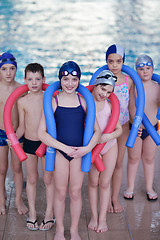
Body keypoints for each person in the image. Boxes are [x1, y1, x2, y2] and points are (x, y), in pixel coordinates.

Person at [38, 61, 101, 240]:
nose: (70, 83)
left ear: (79, 81)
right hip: (60, 153)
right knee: (60, 192)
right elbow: (41, 133)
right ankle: (59, 230)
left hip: (79, 154)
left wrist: (87, 149)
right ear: (60, 80)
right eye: (66, 79)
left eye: (74, 79)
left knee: (75, 192)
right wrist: (63, 148)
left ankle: (73, 230)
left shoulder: (83, 101)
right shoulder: (53, 101)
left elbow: (97, 131)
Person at [13, 63, 55, 230]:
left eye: (38, 79)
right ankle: (32, 214)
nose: (34, 82)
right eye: (30, 79)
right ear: (25, 81)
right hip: (30, 143)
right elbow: (22, 126)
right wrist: (15, 139)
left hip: (46, 144)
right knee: (31, 178)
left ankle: (49, 214)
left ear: (43, 79)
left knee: (48, 179)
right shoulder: (22, 102)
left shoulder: (49, 98)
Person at [88, 70, 122, 232]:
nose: (105, 94)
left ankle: (102, 219)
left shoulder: (109, 106)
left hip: (109, 146)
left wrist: (106, 137)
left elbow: (119, 130)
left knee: (105, 182)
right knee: (93, 182)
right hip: (93, 149)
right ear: (95, 85)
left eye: (109, 92)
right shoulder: (85, 102)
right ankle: (94, 217)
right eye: (102, 89)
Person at [124, 54, 160, 201]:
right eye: (141, 69)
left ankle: (148, 187)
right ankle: (130, 187)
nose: (145, 71)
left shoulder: (157, 87)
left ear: (153, 69)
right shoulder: (132, 86)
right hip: (135, 129)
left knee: (149, 159)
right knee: (133, 158)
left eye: (148, 68)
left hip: (152, 128)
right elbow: (127, 105)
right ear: (135, 70)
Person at [105, 44, 135, 213]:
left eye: (118, 61)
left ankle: (114, 197)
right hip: (107, 128)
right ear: (106, 62)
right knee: (105, 164)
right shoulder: (102, 79)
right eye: (111, 61)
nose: (114, 65)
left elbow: (131, 106)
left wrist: (135, 124)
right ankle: (105, 196)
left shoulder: (129, 81)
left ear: (123, 61)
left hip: (123, 127)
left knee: (117, 164)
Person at [0, 52, 28, 215]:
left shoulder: (21, 89)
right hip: (1, 133)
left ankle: (18, 199)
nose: (8, 73)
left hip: (17, 133)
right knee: (2, 169)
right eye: (4, 69)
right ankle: (2, 199)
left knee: (17, 167)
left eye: (12, 69)